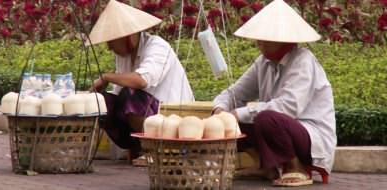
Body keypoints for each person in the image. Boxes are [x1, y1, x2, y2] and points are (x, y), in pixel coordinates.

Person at [212, 0, 336, 187]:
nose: (258, 42)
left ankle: (296, 167)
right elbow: (234, 93)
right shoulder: (263, 63)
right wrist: (220, 110)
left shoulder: (303, 61)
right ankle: (266, 166)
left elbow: (288, 107)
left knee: (267, 118)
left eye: (264, 38)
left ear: (282, 39)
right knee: (231, 126)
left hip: (311, 135)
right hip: (284, 127)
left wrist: (238, 113)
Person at [87, 0, 195, 162]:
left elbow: (142, 81)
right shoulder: (122, 56)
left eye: (111, 41)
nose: (109, 47)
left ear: (128, 36)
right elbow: (117, 94)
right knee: (102, 101)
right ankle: (137, 147)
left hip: (171, 118)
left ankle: (155, 151)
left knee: (130, 96)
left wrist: (107, 77)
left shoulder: (157, 46)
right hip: (146, 117)